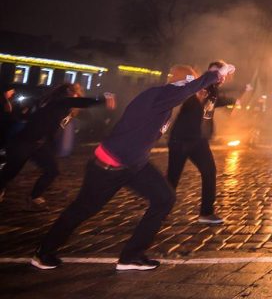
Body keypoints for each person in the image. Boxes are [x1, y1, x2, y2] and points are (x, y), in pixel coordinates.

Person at [30, 63, 234, 271]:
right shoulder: (159, 94)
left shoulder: (166, 100)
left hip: (134, 164)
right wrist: (215, 75)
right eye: (190, 79)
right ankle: (43, 252)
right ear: (181, 80)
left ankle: (131, 257)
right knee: (83, 208)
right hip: (109, 164)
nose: (193, 84)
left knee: (165, 197)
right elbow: (186, 90)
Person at [0, 83, 115, 208]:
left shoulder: (65, 107)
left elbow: (85, 113)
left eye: (78, 94)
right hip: (24, 141)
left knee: (52, 170)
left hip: (39, 144)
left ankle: (33, 197)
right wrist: (104, 99)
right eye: (75, 93)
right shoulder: (60, 101)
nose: (77, 96)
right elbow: (85, 102)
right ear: (68, 92)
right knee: (11, 171)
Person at [166, 60, 240, 224]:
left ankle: (206, 213)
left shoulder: (213, 92)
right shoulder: (195, 86)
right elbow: (202, 85)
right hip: (180, 139)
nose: (217, 76)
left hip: (198, 141)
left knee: (209, 172)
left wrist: (238, 97)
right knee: (172, 178)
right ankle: (159, 211)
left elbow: (223, 98)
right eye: (213, 72)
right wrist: (217, 75)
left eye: (219, 73)